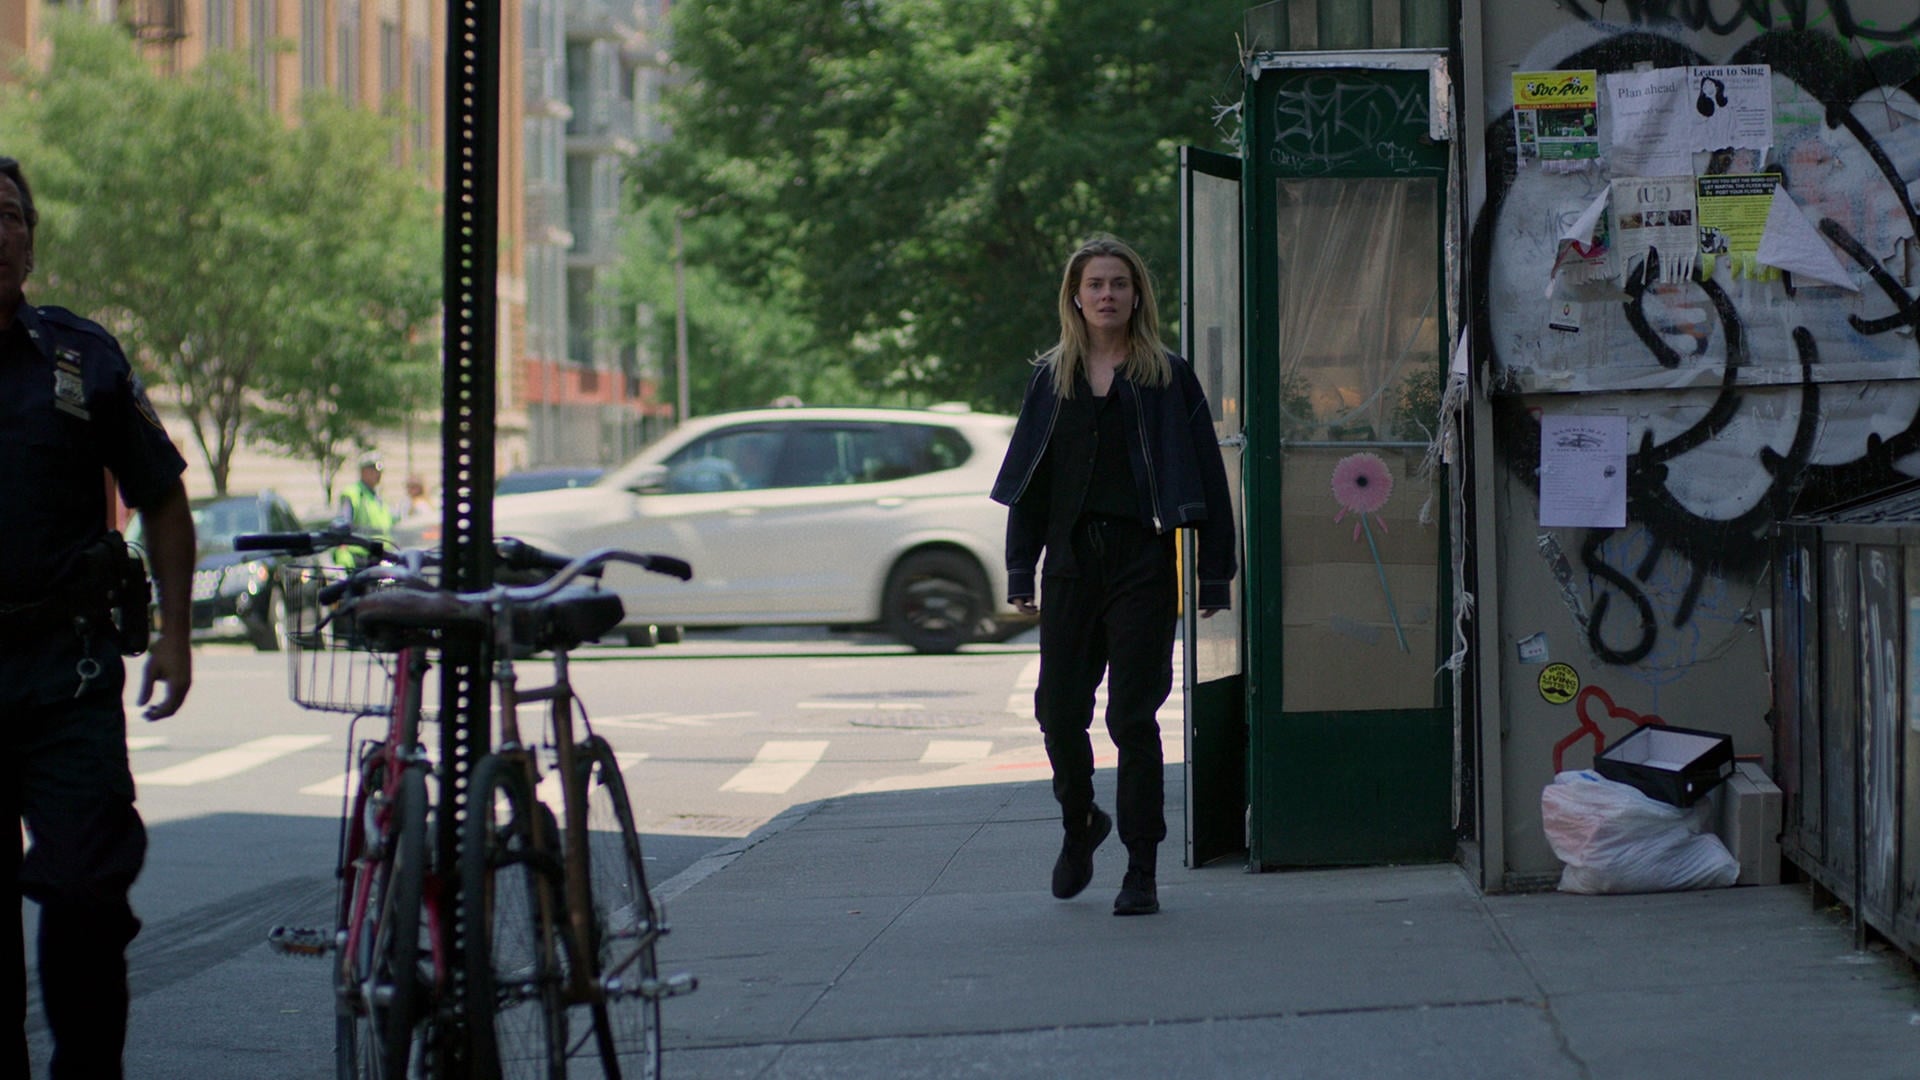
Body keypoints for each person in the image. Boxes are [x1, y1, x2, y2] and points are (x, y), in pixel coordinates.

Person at [0, 156, 195, 1078]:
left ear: (32, 243)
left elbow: (162, 495)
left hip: (66, 673)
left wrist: (176, 635)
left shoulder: (81, 358)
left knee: (86, 895)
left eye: (11, 216)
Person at [990, 235, 1235, 917]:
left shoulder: (1166, 376)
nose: (1107, 295)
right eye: (1095, 284)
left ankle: (1141, 869)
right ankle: (1081, 822)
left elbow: (1207, 476)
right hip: (1070, 563)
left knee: (1132, 716)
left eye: (1119, 284)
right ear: (1075, 296)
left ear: (1136, 295)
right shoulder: (1052, 378)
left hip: (1142, 563)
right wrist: (1021, 567)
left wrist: (1213, 574)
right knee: (1058, 712)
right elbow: (1029, 480)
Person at [336, 450, 395, 565]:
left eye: (380, 471)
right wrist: (342, 551)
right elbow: (342, 525)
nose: (378, 475)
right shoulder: (353, 493)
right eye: (373, 471)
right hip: (359, 556)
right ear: (363, 471)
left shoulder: (379, 497)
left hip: (382, 555)